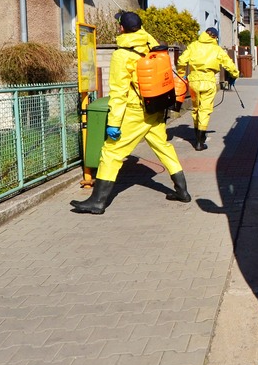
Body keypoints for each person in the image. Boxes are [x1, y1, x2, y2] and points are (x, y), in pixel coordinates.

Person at [70, 12, 192, 215]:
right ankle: (182, 191)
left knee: (111, 152)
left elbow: (119, 94)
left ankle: (98, 202)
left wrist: (114, 123)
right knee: (163, 147)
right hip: (155, 108)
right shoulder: (150, 44)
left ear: (121, 28)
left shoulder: (122, 55)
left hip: (135, 113)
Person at [177, 27, 239, 151]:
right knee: (204, 110)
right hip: (208, 81)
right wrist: (234, 75)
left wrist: (181, 73)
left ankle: (197, 136)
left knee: (196, 109)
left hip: (194, 81)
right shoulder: (217, 49)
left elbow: (181, 60)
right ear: (215, 37)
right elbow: (229, 63)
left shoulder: (193, 46)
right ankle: (200, 142)